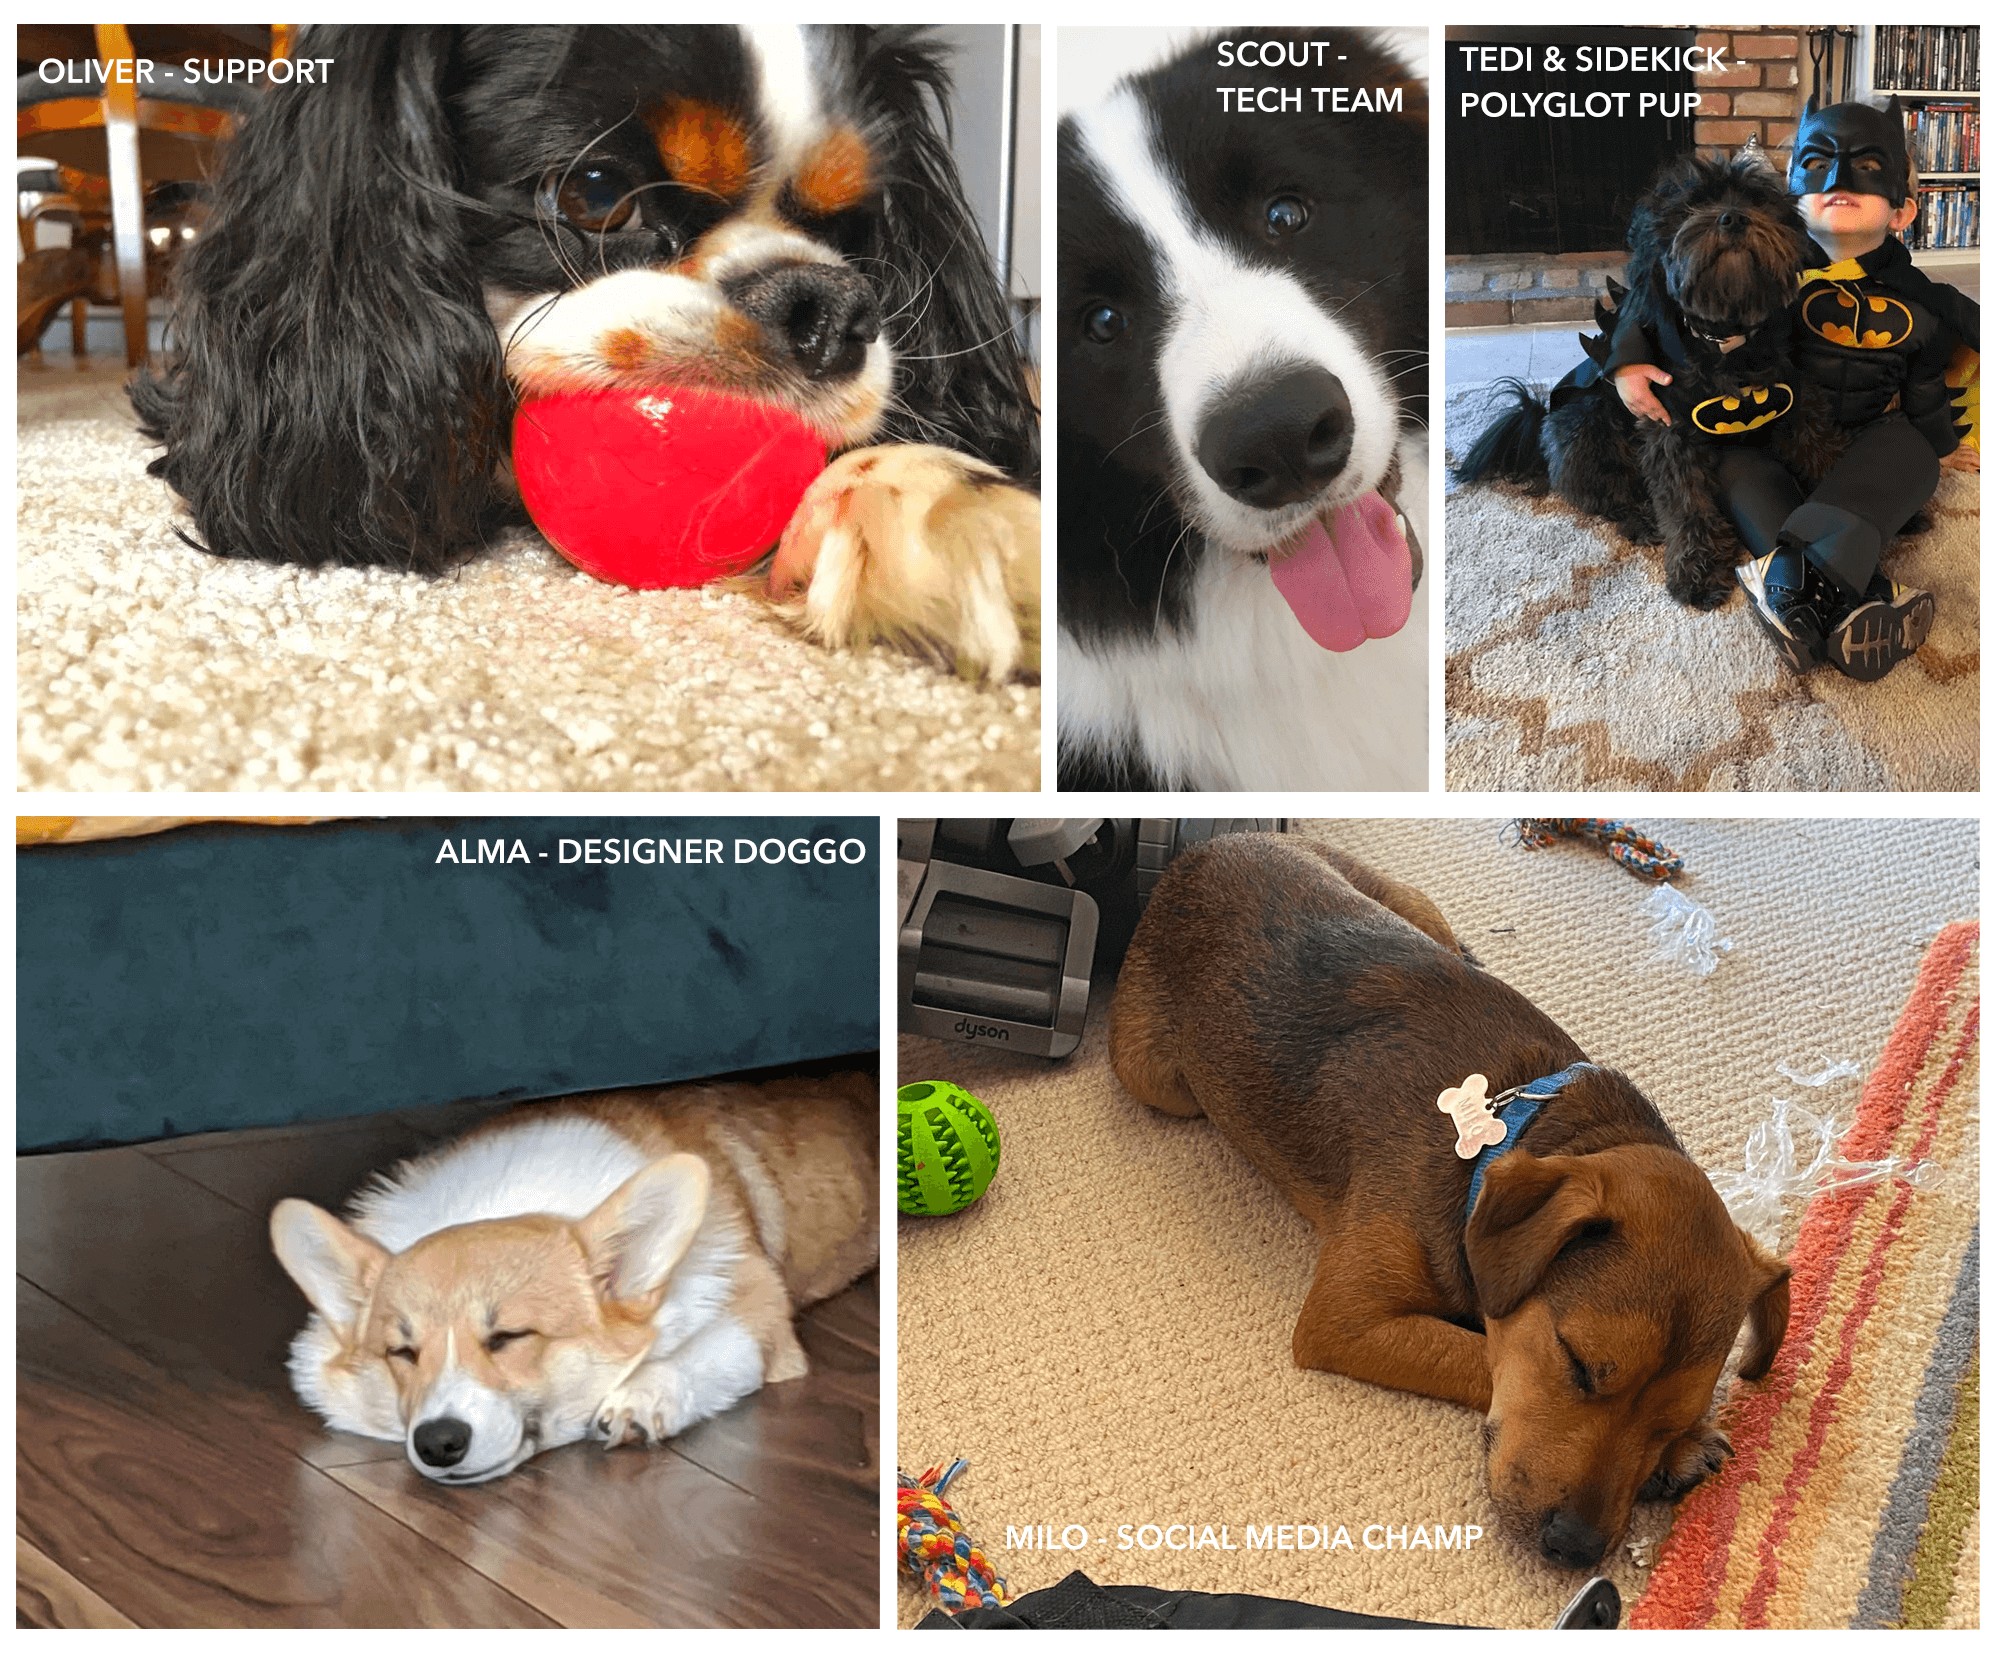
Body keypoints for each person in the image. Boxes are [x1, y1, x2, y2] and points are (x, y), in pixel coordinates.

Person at [1616, 100, 1979, 680]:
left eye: (1865, 172)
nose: (1839, 182)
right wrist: (1626, 362)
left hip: (1866, 437)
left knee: (1914, 456)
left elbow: (1932, 377)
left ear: (1902, 213)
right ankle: (1856, 603)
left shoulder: (1925, 299)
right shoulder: (1765, 270)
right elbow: (1651, 296)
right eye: (1817, 168)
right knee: (1736, 470)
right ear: (1793, 206)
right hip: (1762, 434)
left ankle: (1788, 592)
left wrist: (1948, 440)